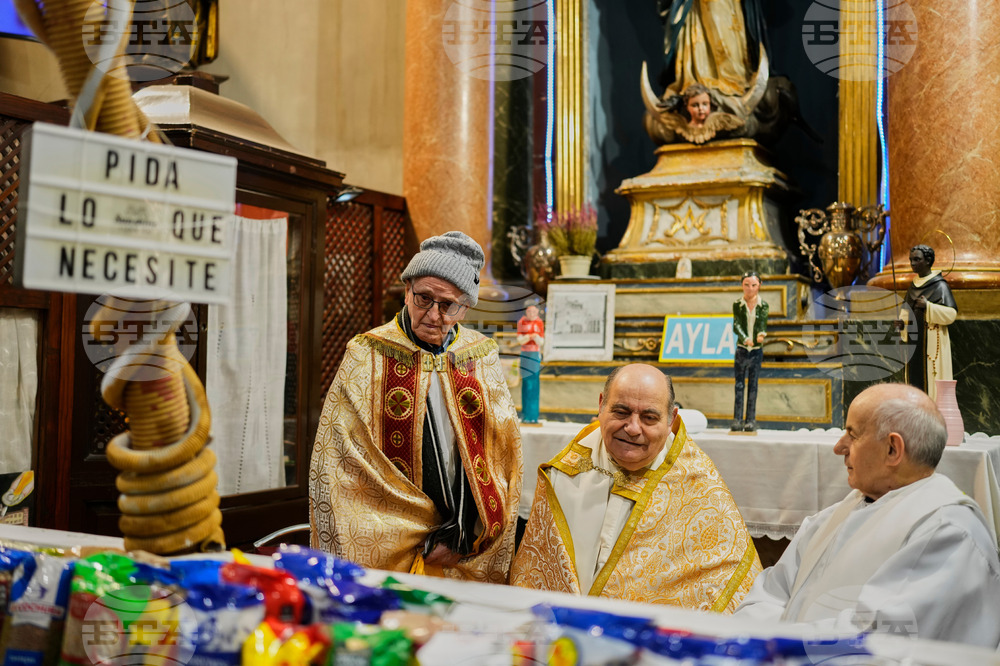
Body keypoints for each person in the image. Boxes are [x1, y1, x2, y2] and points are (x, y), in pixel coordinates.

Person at [309, 231, 522, 583]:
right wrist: (415, 536)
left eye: (448, 305)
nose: (434, 314)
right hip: (390, 542)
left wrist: (466, 533)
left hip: (466, 544)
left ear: (465, 308)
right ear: (407, 291)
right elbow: (340, 464)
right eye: (424, 298)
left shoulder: (480, 356)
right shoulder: (366, 353)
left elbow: (503, 452)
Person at [735, 383, 1000, 647]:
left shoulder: (947, 530)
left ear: (892, 449)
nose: (839, 447)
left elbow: (882, 637)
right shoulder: (836, 515)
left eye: (853, 434)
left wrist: (778, 646)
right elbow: (769, 594)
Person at [511, 364, 761, 611]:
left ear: (672, 418)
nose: (632, 428)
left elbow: (730, 588)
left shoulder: (700, 488)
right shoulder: (564, 474)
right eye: (621, 412)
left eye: (649, 417)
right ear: (601, 405)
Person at [901, 245, 957, 402]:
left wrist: (929, 307)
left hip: (932, 346)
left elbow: (951, 314)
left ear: (928, 261)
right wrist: (901, 324)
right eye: (911, 260)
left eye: (917, 259)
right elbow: (906, 313)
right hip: (914, 345)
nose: (912, 263)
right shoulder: (912, 287)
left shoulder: (940, 286)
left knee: (932, 385)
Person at [732, 271, 768, 432]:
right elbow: (736, 325)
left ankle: (750, 420)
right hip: (742, 349)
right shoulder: (737, 305)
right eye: (746, 285)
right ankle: (737, 419)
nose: (750, 288)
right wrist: (746, 338)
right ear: (742, 286)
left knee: (753, 386)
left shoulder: (763, 305)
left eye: (753, 285)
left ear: (759, 286)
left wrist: (760, 334)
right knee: (739, 385)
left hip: (756, 351)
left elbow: (762, 322)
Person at [516, 301, 544, 424]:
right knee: (526, 383)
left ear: (537, 312)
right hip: (525, 354)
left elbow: (541, 341)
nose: (531, 313)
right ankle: (526, 415)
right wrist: (530, 336)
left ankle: (533, 416)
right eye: (529, 311)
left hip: (534, 355)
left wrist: (533, 337)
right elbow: (520, 340)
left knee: (534, 384)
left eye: (534, 311)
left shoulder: (539, 322)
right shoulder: (522, 321)